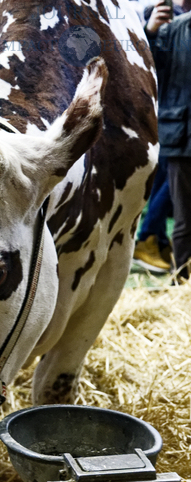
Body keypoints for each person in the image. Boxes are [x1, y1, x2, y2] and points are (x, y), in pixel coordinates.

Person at [145, 0, 191, 281]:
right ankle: (183, 279)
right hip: (181, 138)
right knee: (185, 219)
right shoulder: (172, 30)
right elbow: (149, 69)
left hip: (178, 135)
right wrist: (149, 33)